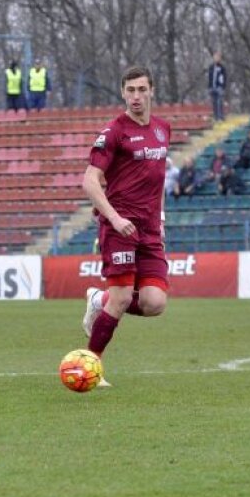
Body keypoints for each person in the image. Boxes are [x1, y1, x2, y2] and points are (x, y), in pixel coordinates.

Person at [81, 65, 171, 388]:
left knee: (155, 303)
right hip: (119, 227)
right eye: (130, 90)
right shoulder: (114, 132)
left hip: (148, 230)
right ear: (122, 93)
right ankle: (90, 367)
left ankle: (97, 301)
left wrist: (159, 218)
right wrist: (115, 218)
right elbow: (90, 181)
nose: (136, 96)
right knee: (120, 298)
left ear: (152, 91)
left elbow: (157, 179)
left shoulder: (163, 129)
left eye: (141, 90)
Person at [207, 51, 227, 121]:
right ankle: (216, 117)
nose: (216, 58)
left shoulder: (222, 67)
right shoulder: (211, 67)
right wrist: (209, 87)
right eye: (215, 57)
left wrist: (223, 86)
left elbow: (224, 77)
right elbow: (209, 77)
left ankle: (220, 116)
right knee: (214, 102)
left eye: (218, 57)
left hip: (219, 87)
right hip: (212, 86)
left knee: (219, 101)